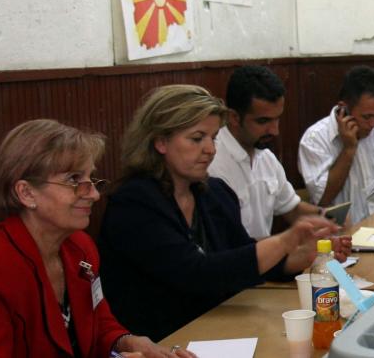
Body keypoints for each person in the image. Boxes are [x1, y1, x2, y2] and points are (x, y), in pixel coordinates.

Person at [99, 85, 345, 341]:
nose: (210, 149)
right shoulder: (134, 203)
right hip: (162, 341)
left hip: (218, 328)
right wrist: (284, 241)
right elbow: (196, 274)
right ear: (160, 141)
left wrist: (300, 255)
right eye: (197, 138)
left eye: (214, 137)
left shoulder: (214, 193)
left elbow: (240, 258)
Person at [0, 119, 190, 357]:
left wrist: (126, 342)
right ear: (27, 193)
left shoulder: (80, 248)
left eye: (91, 178)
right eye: (74, 179)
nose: (94, 194)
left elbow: (98, 323)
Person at [208, 65, 324, 239]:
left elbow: (292, 209)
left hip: (266, 254)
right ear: (234, 117)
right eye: (263, 121)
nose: (275, 131)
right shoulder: (211, 161)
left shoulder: (266, 157)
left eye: (277, 119)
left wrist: (328, 217)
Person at [298, 65, 374, 224]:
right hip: (342, 234)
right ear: (344, 109)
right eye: (367, 117)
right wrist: (349, 149)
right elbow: (322, 199)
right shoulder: (315, 139)